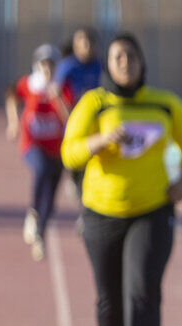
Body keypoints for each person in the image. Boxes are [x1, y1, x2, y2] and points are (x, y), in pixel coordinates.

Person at [61, 32, 182, 326]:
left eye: (132, 56)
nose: (125, 63)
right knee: (109, 296)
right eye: (118, 57)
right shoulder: (95, 104)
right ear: (108, 64)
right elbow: (69, 153)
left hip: (152, 211)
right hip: (102, 213)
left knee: (143, 291)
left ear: (142, 62)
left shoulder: (165, 104)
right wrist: (100, 143)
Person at [5, 44, 70, 262]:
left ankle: (40, 232)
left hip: (58, 150)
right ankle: (33, 213)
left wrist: (58, 99)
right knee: (40, 169)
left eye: (51, 65)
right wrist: (14, 122)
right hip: (31, 144)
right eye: (44, 65)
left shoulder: (63, 88)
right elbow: (11, 94)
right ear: (37, 66)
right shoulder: (29, 84)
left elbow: (71, 119)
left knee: (51, 202)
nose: (47, 69)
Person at [50, 27, 102, 227]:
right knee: (76, 165)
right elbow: (55, 91)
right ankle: (73, 180)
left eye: (91, 42)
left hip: (93, 125)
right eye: (83, 42)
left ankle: (85, 214)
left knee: (91, 171)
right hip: (73, 125)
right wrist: (68, 115)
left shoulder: (99, 65)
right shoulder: (68, 66)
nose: (87, 46)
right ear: (75, 45)